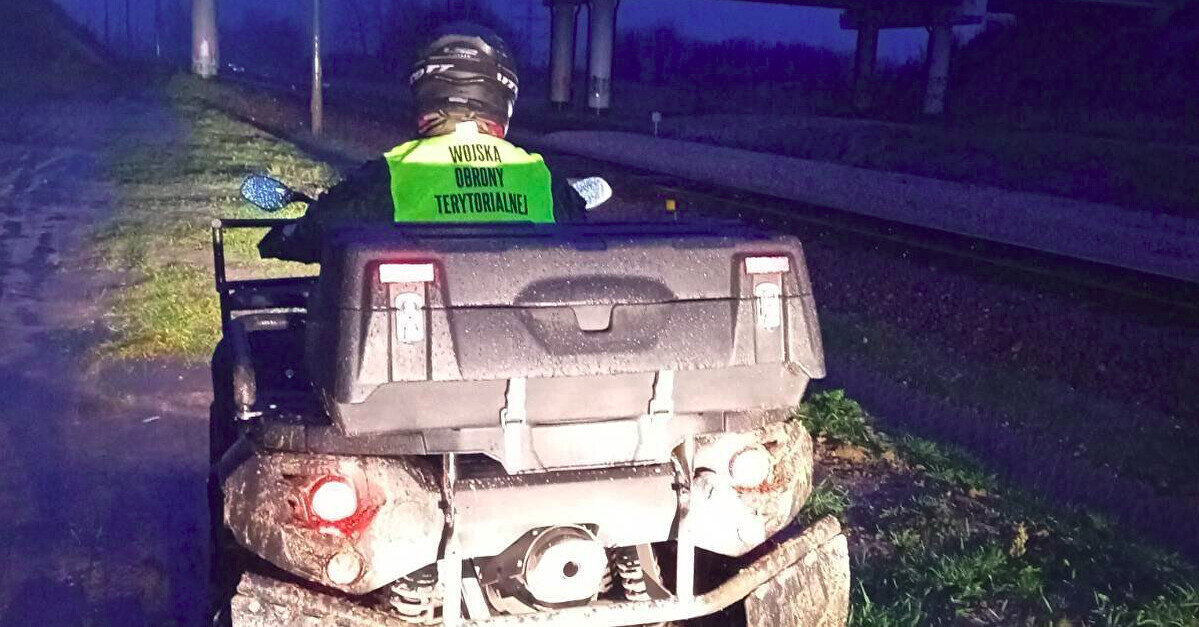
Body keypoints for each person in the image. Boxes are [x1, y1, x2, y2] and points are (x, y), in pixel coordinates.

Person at [259, 23, 587, 264]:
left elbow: (322, 230)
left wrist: (287, 238)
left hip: (416, 331)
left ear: (425, 92)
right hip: (517, 335)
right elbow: (578, 237)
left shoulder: (394, 172)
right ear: (504, 98)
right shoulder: (541, 177)